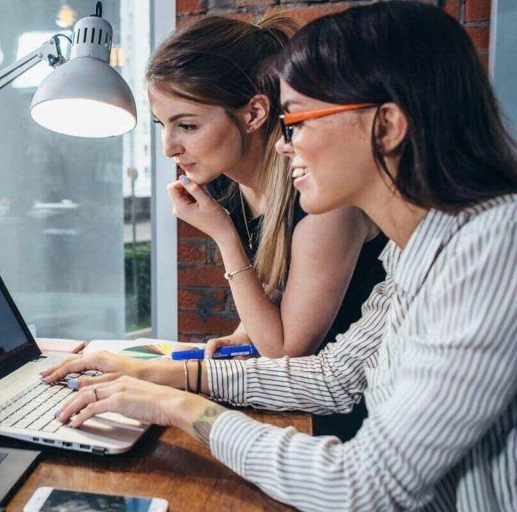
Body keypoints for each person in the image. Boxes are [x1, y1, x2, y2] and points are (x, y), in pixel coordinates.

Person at [43, 3, 517, 509]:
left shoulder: (492, 250)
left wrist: (183, 408)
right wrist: (166, 375)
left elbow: (361, 485)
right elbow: (333, 378)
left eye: (299, 122)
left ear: (386, 127)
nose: (285, 146)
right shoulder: (415, 255)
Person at [147, 13, 386, 440]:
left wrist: (223, 235)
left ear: (255, 112)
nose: (169, 147)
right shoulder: (226, 183)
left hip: (344, 421)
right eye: (162, 125)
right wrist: (242, 337)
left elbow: (284, 350)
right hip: (292, 400)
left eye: (187, 125)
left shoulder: (324, 199)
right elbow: (276, 296)